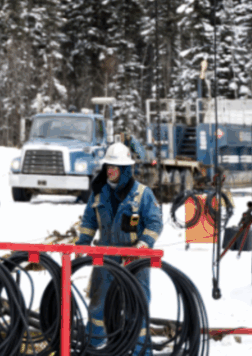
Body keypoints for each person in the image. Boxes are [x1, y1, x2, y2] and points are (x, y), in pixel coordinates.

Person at [75, 142, 163, 356]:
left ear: (125, 170)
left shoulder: (142, 194)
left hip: (134, 261)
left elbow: (154, 223)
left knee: (136, 309)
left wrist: (142, 246)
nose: (110, 171)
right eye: (108, 166)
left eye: (115, 167)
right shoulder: (99, 194)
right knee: (98, 306)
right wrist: (82, 244)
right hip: (105, 260)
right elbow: (88, 221)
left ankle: (140, 352)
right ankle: (93, 348)